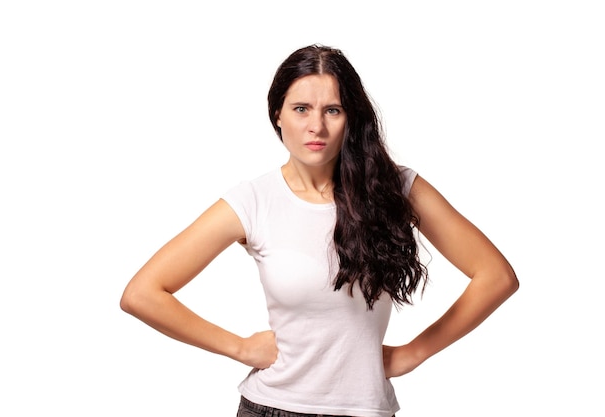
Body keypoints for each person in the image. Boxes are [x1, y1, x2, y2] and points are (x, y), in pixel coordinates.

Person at [120, 44, 519, 417]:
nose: (316, 126)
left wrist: (414, 353)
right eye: (300, 109)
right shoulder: (254, 201)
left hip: (366, 408)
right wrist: (239, 347)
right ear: (278, 115)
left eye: (333, 110)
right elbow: (142, 294)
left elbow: (496, 276)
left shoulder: (395, 188)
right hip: (272, 407)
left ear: (351, 117)